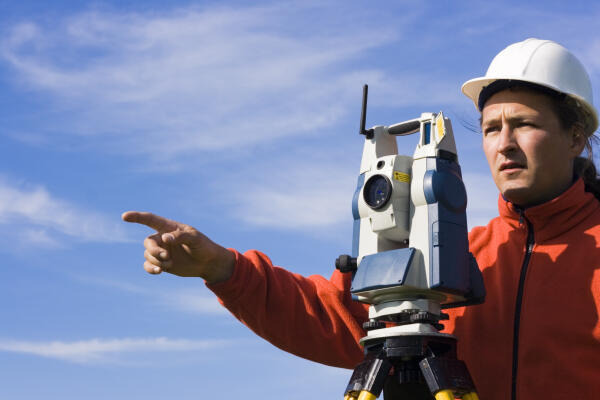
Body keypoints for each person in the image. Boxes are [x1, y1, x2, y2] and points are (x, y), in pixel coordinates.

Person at [122, 38, 600, 400]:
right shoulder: (464, 258)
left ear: (576, 136)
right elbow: (330, 316)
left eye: (525, 124)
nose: (504, 143)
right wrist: (223, 268)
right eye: (492, 128)